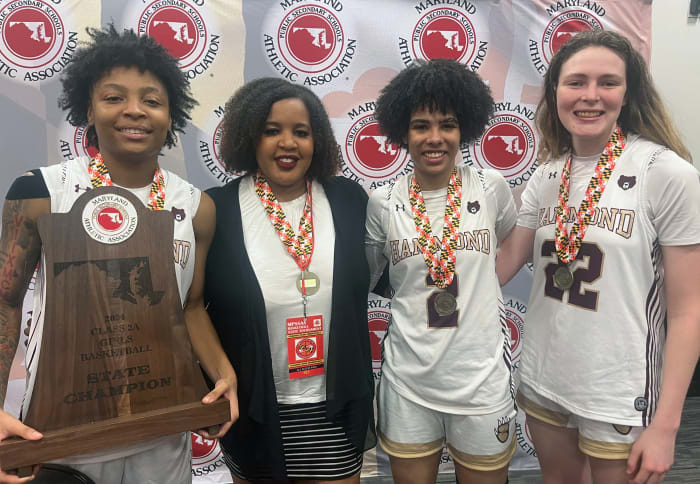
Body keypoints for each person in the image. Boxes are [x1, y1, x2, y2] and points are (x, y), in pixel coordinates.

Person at [0, 25, 238, 484]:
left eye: (152, 100)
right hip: (63, 432)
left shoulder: (197, 207)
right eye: (114, 98)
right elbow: (6, 301)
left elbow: (189, 308)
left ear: (171, 115)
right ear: (88, 108)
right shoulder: (40, 192)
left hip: (162, 429)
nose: (134, 110)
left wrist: (224, 373)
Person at [496, 29, 700, 484]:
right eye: (576, 82)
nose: (590, 96)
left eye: (608, 82)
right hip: (545, 374)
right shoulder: (546, 176)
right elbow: (499, 269)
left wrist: (666, 426)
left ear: (628, 94)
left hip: (619, 387)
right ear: (555, 92)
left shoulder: (666, 174)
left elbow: (689, 311)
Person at [204, 77, 376, 483]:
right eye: (271, 130)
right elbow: (194, 306)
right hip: (257, 405)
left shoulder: (348, 199)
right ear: (250, 136)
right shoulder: (218, 208)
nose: (287, 143)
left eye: (301, 132)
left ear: (317, 141)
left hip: (335, 402)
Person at [365, 59, 518, 484]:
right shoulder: (382, 203)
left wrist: (484, 288)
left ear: (464, 128)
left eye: (447, 124)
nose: (435, 138)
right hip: (408, 382)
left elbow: (507, 245)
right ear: (402, 132)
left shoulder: (490, 188)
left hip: (480, 380)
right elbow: (373, 273)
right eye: (420, 126)